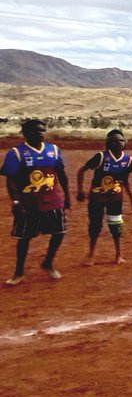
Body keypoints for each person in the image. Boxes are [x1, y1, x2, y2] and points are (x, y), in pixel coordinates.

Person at [3, 118, 70, 286]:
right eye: (35, 131)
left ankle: (47, 262)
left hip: (52, 199)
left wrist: (67, 196)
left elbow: (61, 174)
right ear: (25, 134)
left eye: (42, 131)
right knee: (25, 237)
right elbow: (10, 180)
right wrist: (16, 202)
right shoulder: (16, 153)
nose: (40, 134)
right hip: (29, 202)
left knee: (59, 232)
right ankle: (19, 271)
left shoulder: (53, 150)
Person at [76, 129, 132, 266]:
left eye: (121, 140)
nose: (118, 143)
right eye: (115, 141)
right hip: (97, 198)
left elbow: (125, 181)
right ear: (108, 143)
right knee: (95, 226)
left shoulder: (128, 160)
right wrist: (80, 191)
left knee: (116, 226)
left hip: (115, 198)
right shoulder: (101, 157)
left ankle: (118, 255)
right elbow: (82, 170)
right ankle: (91, 254)